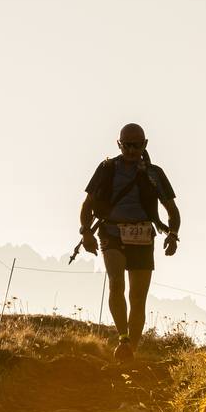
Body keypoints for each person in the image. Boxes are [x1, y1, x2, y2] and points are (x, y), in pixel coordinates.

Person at [79, 122, 181, 362]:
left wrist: (173, 234)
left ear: (144, 144)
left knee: (138, 297)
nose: (131, 150)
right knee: (116, 283)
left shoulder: (154, 174)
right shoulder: (106, 169)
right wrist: (86, 233)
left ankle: (130, 350)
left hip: (143, 236)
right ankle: (123, 338)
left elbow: (172, 210)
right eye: (127, 145)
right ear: (119, 144)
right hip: (111, 234)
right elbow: (87, 205)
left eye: (136, 145)